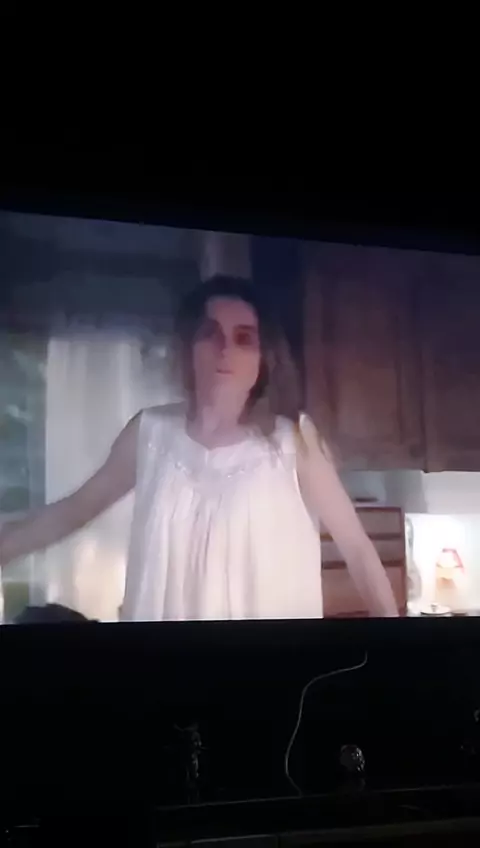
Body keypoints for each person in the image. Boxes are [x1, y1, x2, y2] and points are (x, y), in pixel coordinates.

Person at [0, 276, 398, 621]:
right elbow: (72, 511)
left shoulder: (294, 440)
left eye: (244, 338)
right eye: (210, 333)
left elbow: (358, 551)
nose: (225, 349)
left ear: (265, 358)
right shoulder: (151, 433)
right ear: (189, 347)